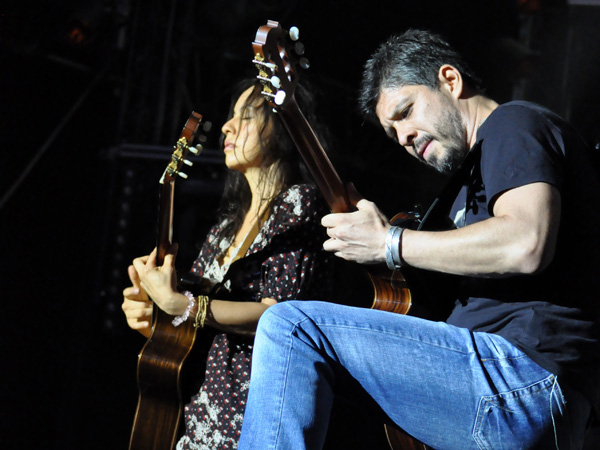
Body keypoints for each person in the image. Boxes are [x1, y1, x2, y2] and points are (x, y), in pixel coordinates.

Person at [237, 29, 600, 450]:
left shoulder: (512, 125)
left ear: (450, 80)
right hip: (522, 397)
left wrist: (390, 243)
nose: (404, 137)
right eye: (392, 134)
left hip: (518, 378)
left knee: (291, 327)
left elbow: (526, 242)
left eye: (406, 111)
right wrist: (379, 245)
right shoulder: (463, 187)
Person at [121, 78, 340, 449]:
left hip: (255, 417)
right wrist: (154, 317)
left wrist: (182, 305)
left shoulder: (300, 206)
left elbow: (279, 315)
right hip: (196, 417)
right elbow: (194, 328)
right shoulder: (226, 228)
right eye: (231, 115)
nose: (227, 126)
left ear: (283, 126)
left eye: (247, 116)